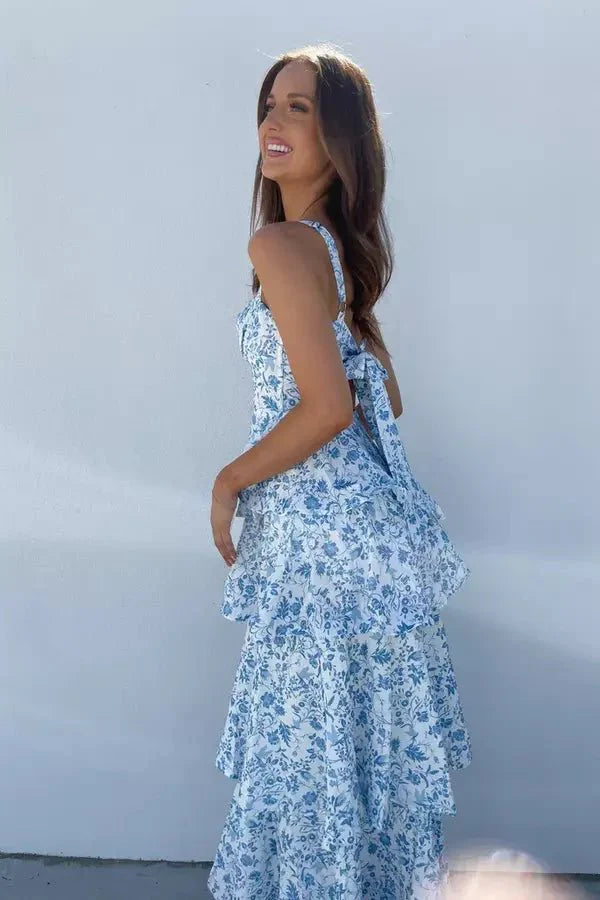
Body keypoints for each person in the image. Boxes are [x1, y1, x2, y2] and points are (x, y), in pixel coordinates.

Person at [207, 42, 472, 899]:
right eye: (271, 104)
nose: (275, 123)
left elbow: (333, 409)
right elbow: (382, 396)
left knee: (310, 779)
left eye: (302, 108)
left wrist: (231, 478)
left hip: (320, 561)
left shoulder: (283, 246)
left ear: (343, 139)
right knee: (352, 784)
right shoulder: (333, 255)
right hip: (365, 555)